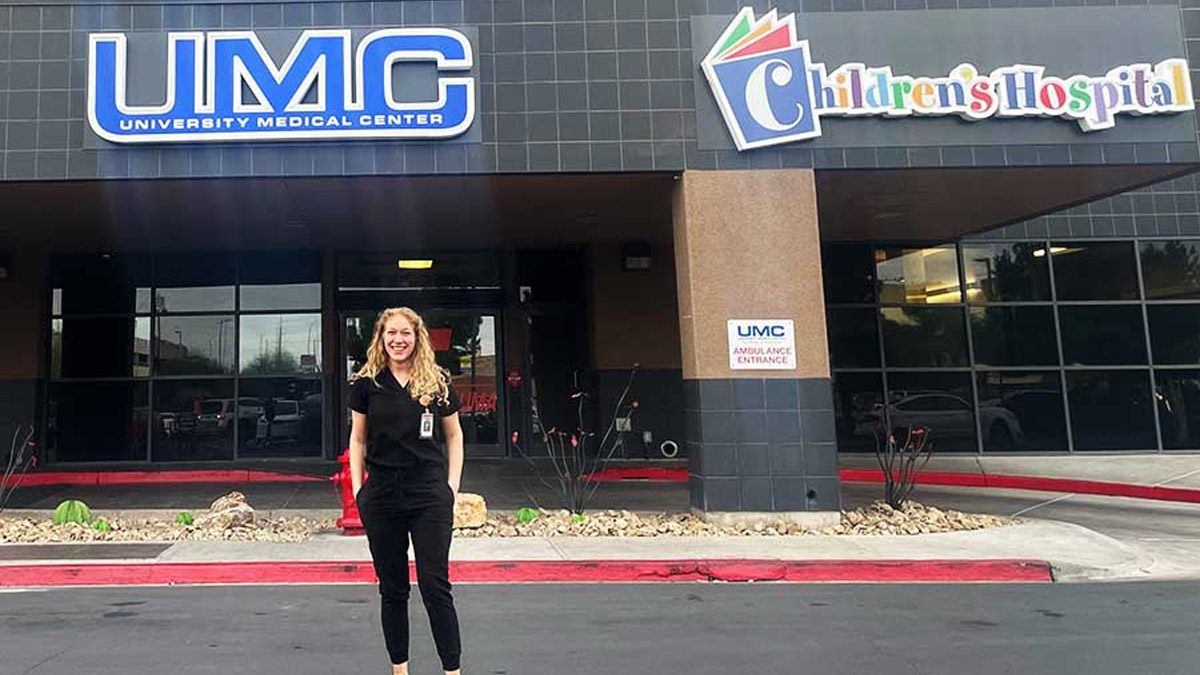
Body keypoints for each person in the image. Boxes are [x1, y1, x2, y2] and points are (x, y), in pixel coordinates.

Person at [348, 307, 465, 675]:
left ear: (418, 338)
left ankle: (452, 670)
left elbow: (454, 436)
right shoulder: (367, 383)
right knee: (393, 588)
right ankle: (400, 669)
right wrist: (358, 491)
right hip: (382, 494)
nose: (399, 340)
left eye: (406, 333)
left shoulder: (437, 382)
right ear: (381, 339)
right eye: (391, 333)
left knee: (435, 585)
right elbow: (357, 438)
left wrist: (451, 488)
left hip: (428, 491)